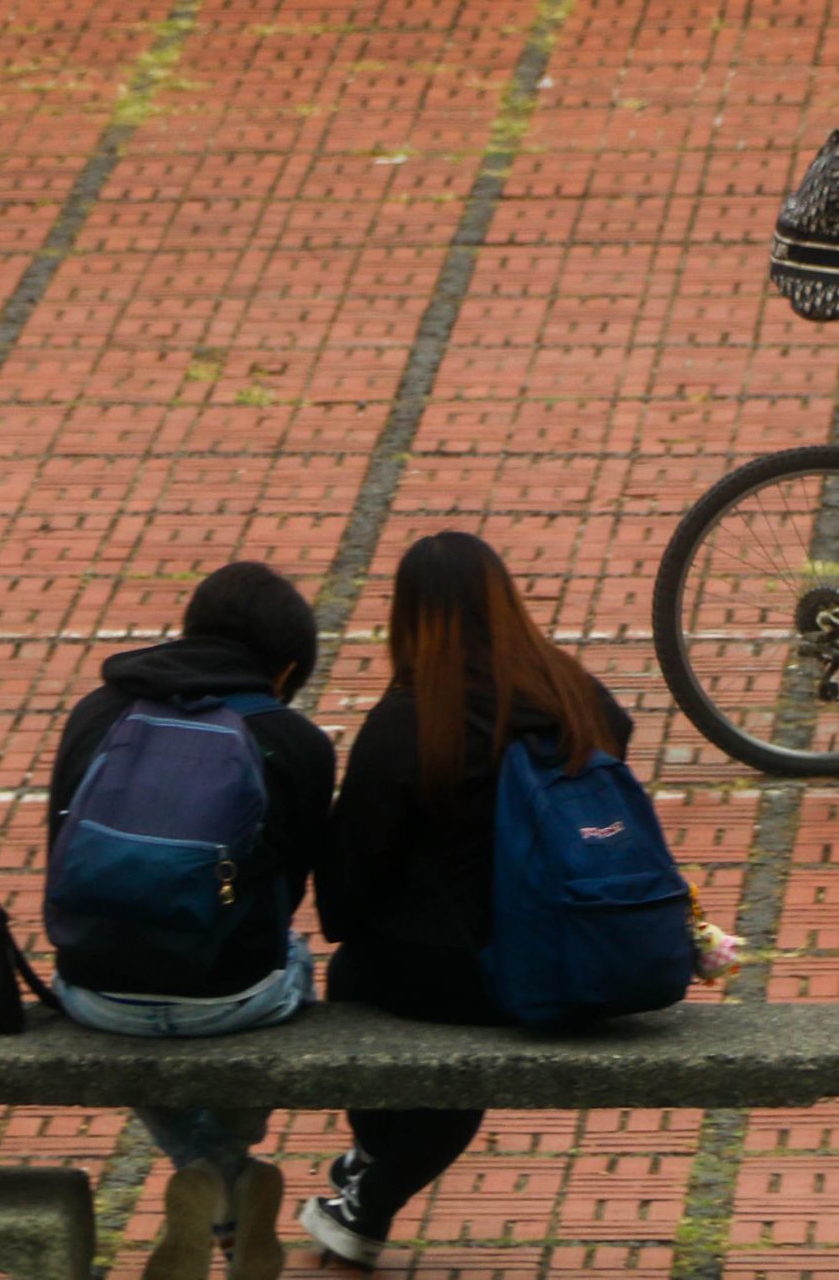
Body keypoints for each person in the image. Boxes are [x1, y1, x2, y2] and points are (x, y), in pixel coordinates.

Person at [302, 531, 635, 1267]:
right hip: (576, 946)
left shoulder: (409, 719)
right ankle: (367, 1180)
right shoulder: (575, 692)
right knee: (441, 1024)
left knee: (357, 981)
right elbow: (619, 740)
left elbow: (353, 869)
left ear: (409, 616)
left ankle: (373, 1189)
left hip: (467, 968)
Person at [44, 562, 335, 1280]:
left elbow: (61, 855)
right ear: (287, 666)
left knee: (124, 970)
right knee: (288, 964)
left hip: (97, 995)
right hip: (232, 996)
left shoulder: (98, 713)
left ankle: (206, 1178)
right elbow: (296, 894)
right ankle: (227, 1186)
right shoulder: (295, 741)